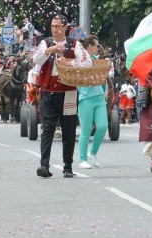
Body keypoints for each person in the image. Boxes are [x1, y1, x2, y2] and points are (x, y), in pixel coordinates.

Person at [33, 14, 92, 178]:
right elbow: (36, 60)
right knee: (47, 130)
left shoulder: (75, 44)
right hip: (48, 92)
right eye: (53, 26)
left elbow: (88, 62)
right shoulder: (46, 43)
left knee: (69, 130)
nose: (55, 29)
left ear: (66, 28)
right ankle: (44, 165)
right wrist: (47, 51)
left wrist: (70, 63)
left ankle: (67, 167)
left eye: (58, 26)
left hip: (69, 93)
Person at [77, 35, 109, 169]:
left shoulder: (98, 61)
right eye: (96, 45)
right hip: (86, 99)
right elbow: (77, 80)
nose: (98, 48)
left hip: (100, 98)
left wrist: (105, 90)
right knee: (86, 129)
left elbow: (103, 78)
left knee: (102, 127)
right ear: (90, 46)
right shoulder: (80, 61)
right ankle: (82, 159)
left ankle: (93, 153)